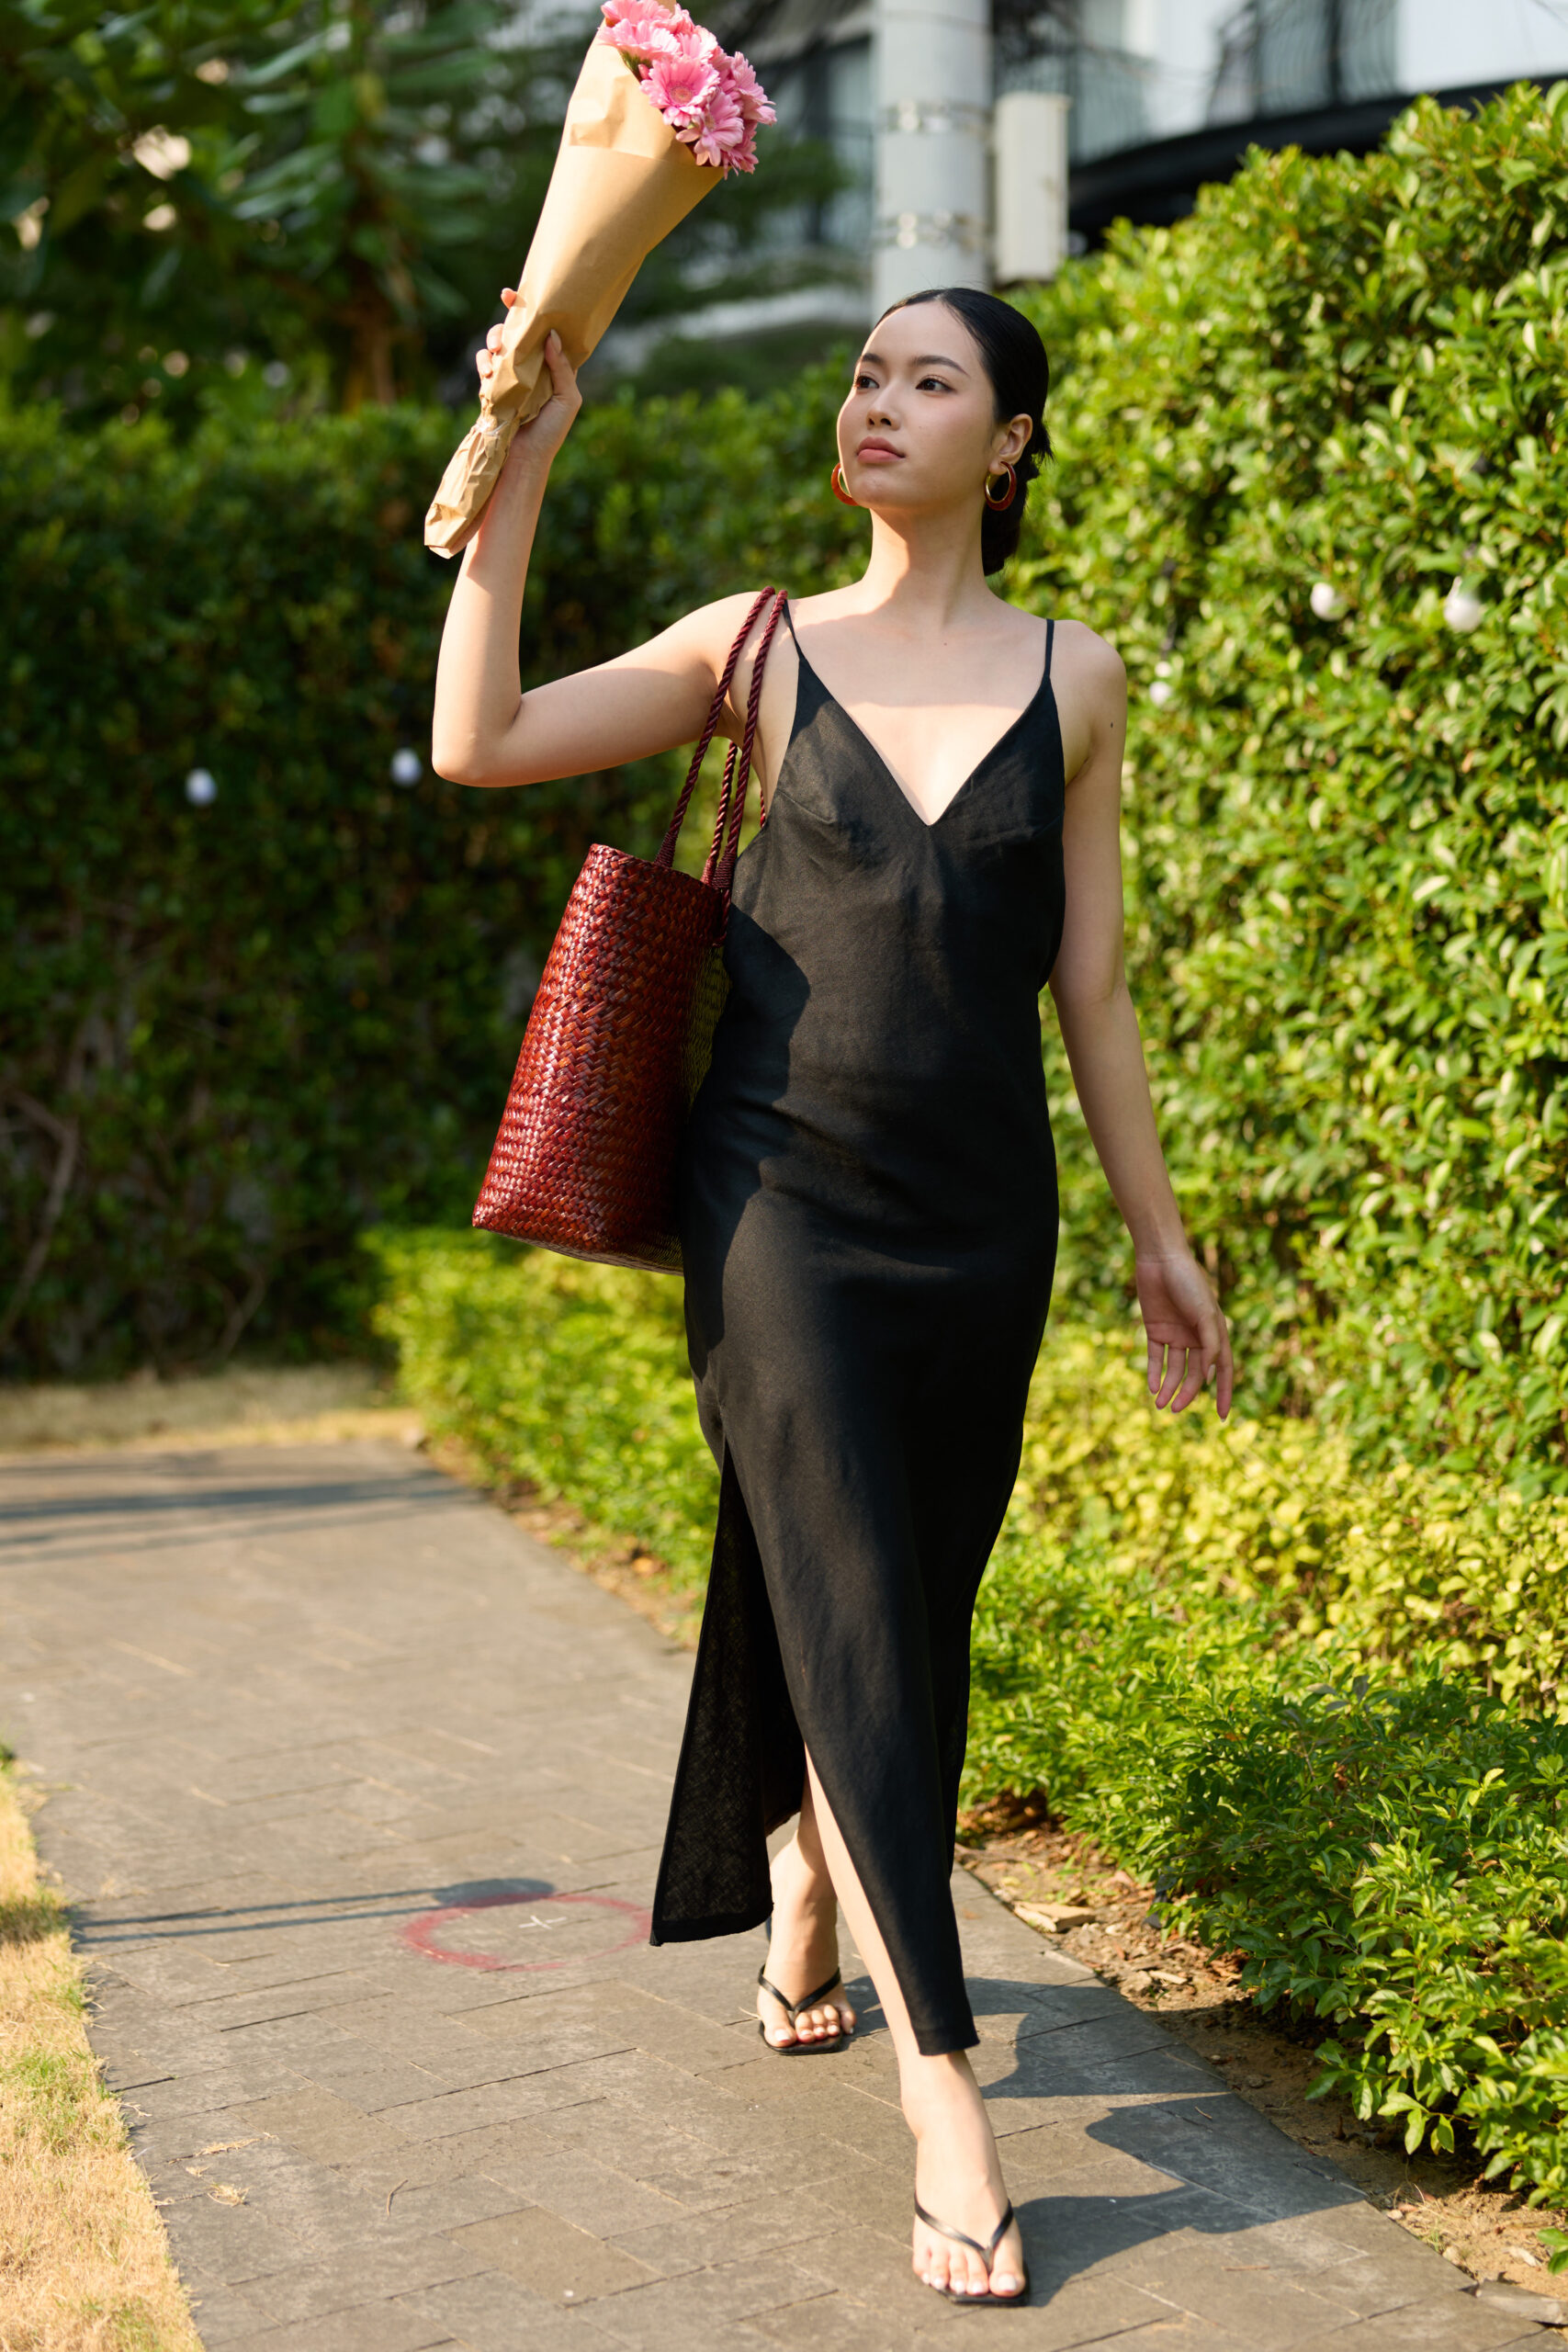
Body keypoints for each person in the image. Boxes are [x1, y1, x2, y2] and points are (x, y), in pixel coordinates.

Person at [432, 284, 1235, 2306]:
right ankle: (946, 2099)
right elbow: (480, 739)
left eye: (927, 380)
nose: (876, 399)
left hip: (981, 1225)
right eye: (865, 372)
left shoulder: (1074, 677)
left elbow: (1091, 988)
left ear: (1011, 442)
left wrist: (1156, 1235)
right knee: (859, 1602)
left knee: (901, 1608)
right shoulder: (758, 647)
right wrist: (523, 453)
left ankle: (803, 1870)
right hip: (775, 1204)